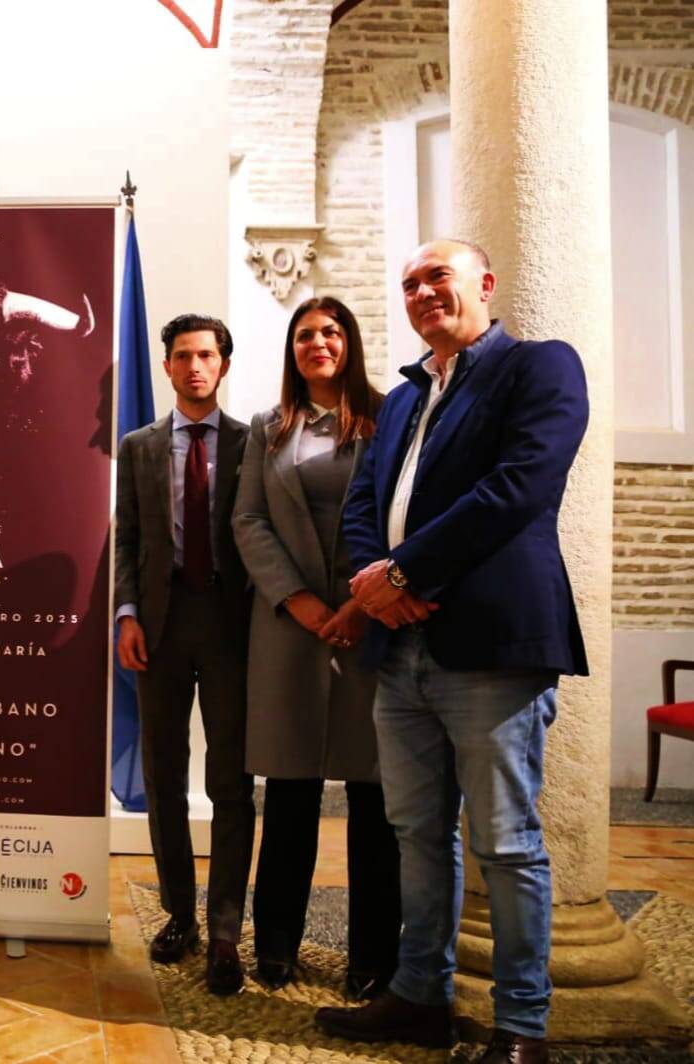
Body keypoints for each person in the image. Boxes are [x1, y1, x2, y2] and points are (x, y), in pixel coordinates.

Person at [315, 240, 589, 1064]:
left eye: (439, 276)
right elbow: (365, 502)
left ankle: (521, 1027)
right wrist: (376, 587)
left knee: (505, 842)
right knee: (416, 834)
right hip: (400, 650)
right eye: (409, 283)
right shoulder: (400, 400)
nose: (423, 292)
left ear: (484, 285)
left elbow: (518, 487)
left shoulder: (540, 368)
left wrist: (402, 569)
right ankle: (419, 997)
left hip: (491, 646)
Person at [233, 296, 400, 998]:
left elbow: (405, 508)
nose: (318, 343)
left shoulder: (391, 415)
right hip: (289, 630)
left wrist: (365, 602)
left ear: (349, 342)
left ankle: (373, 960)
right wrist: (299, 600)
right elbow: (248, 519)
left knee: (375, 801)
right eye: (305, 335)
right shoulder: (267, 429)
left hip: (375, 623)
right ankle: (275, 945)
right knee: (292, 794)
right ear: (291, 350)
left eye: (331, 332)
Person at [115, 313, 256, 996]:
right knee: (164, 778)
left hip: (232, 625)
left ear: (223, 365)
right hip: (161, 623)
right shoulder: (138, 447)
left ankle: (225, 928)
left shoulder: (253, 442)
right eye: (181, 356)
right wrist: (127, 614)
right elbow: (128, 541)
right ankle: (180, 914)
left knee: (231, 781)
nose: (194, 366)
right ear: (166, 367)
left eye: (206, 355)